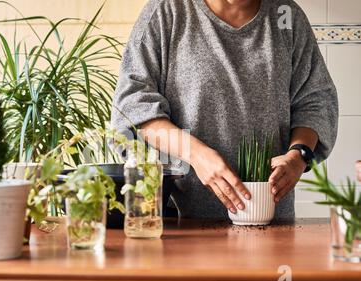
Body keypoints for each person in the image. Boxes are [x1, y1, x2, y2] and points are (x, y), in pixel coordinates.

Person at [111, 0, 339, 222]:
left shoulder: (286, 14)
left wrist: (298, 155)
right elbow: (132, 107)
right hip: (182, 222)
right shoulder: (167, 11)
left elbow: (315, 101)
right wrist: (196, 155)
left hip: (271, 220)